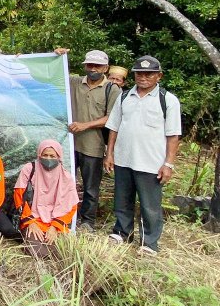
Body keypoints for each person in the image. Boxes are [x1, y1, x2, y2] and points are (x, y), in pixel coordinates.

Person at [104, 56, 181, 256]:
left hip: (151, 163)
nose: (143, 77)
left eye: (149, 74)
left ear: (159, 76)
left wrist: (168, 164)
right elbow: (114, 127)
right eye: (139, 73)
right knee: (122, 200)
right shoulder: (124, 97)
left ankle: (149, 243)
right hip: (124, 158)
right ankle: (122, 232)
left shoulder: (168, 100)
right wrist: (109, 153)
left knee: (150, 206)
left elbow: (173, 135)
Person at [54, 49, 120, 231]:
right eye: (90, 65)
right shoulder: (75, 82)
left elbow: (112, 118)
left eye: (97, 66)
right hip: (69, 144)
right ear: (84, 66)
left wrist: (85, 125)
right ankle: (64, 217)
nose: (93, 69)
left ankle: (87, 222)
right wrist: (56, 56)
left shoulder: (111, 89)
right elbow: (53, 72)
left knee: (90, 187)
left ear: (105, 68)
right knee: (65, 183)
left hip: (93, 146)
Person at [14, 140, 79, 257]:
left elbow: (71, 206)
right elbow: (19, 196)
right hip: (33, 220)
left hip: (56, 223)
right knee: (36, 250)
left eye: (52, 156)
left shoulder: (66, 177)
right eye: (45, 155)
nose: (48, 159)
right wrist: (31, 222)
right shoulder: (29, 170)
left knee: (62, 251)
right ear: (39, 155)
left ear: (59, 157)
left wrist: (54, 227)